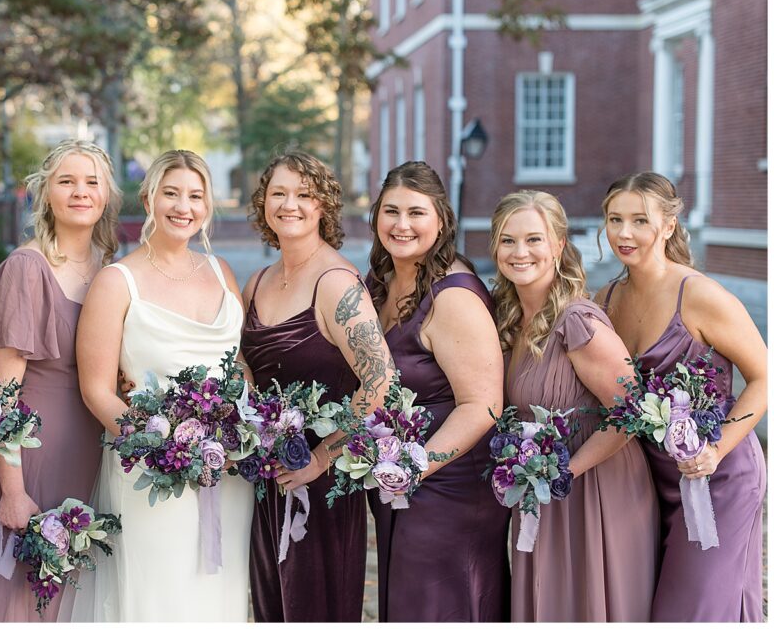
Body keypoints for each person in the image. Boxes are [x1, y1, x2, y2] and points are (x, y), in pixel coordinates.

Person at [68, 149, 253, 622]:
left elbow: (239, 369)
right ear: (149, 198)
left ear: (208, 206)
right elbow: (97, 389)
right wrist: (159, 448)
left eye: (195, 196)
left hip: (225, 473)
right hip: (152, 472)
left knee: (219, 591)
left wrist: (245, 431)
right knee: (159, 594)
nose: (183, 206)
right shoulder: (117, 281)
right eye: (171, 193)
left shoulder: (221, 271)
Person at [597, 172, 766, 621]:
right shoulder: (607, 299)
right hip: (651, 480)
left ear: (668, 225)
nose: (624, 233)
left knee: (691, 610)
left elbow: (764, 378)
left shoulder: (701, 295)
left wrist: (715, 450)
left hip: (720, 474)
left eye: (639, 220)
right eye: (615, 219)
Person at [240, 150, 396, 622]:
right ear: (263, 203)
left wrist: (320, 457)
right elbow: (244, 367)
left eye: (304, 194)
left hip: (322, 482)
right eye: (279, 193)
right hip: (267, 476)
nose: (290, 204)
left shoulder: (336, 283)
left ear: (323, 206)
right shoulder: (257, 282)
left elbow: (380, 378)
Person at [491, 190, 658, 621]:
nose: (519, 252)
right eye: (508, 241)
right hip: (539, 485)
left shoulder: (577, 321)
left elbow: (632, 410)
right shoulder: (508, 319)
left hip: (596, 487)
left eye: (534, 239)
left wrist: (564, 471)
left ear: (559, 245)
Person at [0, 140, 121, 621]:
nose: (81, 192)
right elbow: (0, 396)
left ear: (106, 197)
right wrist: (13, 489)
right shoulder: (26, 268)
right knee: (26, 594)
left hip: (95, 451)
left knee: (77, 593)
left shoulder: (111, 269)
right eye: (67, 181)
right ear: (46, 195)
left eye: (92, 182)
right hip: (36, 454)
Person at [365, 161, 509, 622]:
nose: (401, 225)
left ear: (441, 220)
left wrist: (413, 468)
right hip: (399, 482)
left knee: (436, 606)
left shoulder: (453, 295)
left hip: (448, 488)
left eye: (416, 213)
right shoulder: (381, 284)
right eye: (391, 211)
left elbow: (483, 406)